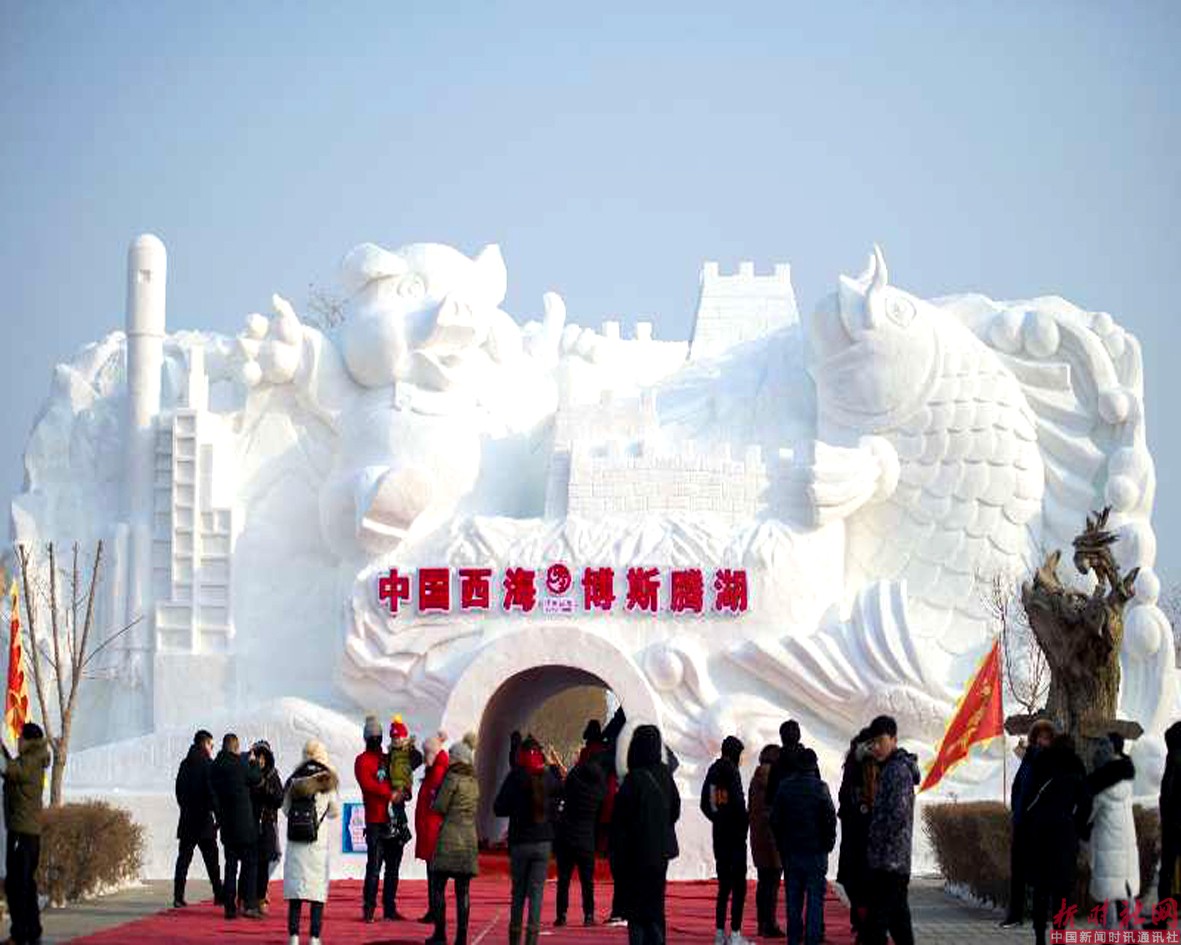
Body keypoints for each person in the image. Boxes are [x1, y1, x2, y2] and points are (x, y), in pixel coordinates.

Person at [610, 724, 681, 945]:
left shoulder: (633, 779)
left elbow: (620, 822)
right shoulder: (665, 775)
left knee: (637, 911)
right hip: (660, 852)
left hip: (636, 853)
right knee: (656, 905)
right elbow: (675, 809)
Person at [494, 735, 563, 945]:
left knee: (518, 893)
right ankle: (532, 939)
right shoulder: (547, 777)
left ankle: (514, 937)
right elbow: (561, 792)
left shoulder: (515, 777)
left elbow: (499, 808)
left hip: (520, 841)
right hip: (543, 841)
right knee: (536, 893)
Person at [1025, 734, 1091, 945]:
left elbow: (1028, 796)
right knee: (1062, 889)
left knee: (1041, 888)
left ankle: (1039, 936)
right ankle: (1059, 935)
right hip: (1064, 834)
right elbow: (1085, 804)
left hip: (1040, 832)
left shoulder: (1041, 763)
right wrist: (1078, 828)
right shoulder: (1076, 766)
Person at [863, 715, 919, 945]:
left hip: (890, 861)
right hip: (890, 860)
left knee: (875, 924)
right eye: (873, 743)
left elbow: (897, 816)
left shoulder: (897, 771)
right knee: (898, 922)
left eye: (881, 741)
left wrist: (875, 838)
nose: (876, 747)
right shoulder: (888, 768)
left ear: (894, 740)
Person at [771, 748, 836, 945]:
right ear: (814, 765)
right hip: (816, 852)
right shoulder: (821, 788)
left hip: (791, 851)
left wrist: (782, 845)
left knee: (793, 899)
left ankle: (793, 939)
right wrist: (828, 844)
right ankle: (812, 939)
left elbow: (775, 820)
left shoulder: (785, 787)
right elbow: (830, 819)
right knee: (815, 899)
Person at [283, 738, 340, 945]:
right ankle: (314, 938)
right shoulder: (327, 780)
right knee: (317, 893)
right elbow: (334, 811)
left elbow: (286, 810)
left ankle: (294, 936)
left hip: (296, 844)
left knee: (296, 893)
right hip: (317, 845)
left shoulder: (294, 779)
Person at [1000, 718, 1055, 929]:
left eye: (1046, 738)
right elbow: (1018, 787)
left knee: (1040, 872)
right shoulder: (1028, 759)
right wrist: (1016, 810)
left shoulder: (1050, 762)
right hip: (1021, 822)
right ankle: (1015, 914)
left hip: (1038, 825)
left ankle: (1042, 914)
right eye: (1039, 737)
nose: (1042, 741)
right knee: (1018, 872)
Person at [1, 721, 49, 945]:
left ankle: (21, 934)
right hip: (27, 833)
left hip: (22, 833)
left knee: (17, 885)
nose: (18, 741)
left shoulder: (30, 761)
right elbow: (12, 768)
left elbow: (8, 770)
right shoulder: (34, 759)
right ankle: (32, 931)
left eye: (20, 737)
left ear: (29, 741)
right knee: (25, 884)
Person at [429, 733, 479, 945]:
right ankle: (461, 938)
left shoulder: (451, 778)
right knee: (463, 891)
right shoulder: (474, 782)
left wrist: (434, 797)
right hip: (468, 839)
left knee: (438, 886)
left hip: (450, 837)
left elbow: (440, 806)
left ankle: (440, 934)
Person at [701, 735, 751, 945]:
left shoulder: (713, 771)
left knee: (723, 886)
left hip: (719, 835)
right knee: (739, 887)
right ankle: (736, 933)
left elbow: (706, 804)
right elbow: (738, 804)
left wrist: (718, 819)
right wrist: (744, 822)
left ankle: (720, 932)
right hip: (735, 838)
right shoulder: (732, 772)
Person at [1086, 733, 1138, 929]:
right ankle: (1134, 932)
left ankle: (1111, 935)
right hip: (1126, 845)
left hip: (1107, 846)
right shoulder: (1127, 780)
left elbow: (1086, 817)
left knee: (1108, 895)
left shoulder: (1100, 789)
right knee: (1125, 892)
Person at [210, 732, 263, 919]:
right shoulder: (240, 765)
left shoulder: (215, 766)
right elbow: (256, 778)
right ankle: (249, 904)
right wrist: (253, 762)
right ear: (235, 747)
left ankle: (229, 908)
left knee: (230, 867)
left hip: (226, 824)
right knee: (250, 865)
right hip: (244, 825)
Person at [554, 744, 607, 928]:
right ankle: (589, 915)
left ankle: (561, 915)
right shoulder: (597, 790)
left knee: (564, 879)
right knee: (587, 880)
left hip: (567, 835)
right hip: (586, 837)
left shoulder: (574, 780)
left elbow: (564, 789)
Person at [354, 714, 400, 922]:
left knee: (392, 868)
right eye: (373, 736)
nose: (375, 739)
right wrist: (390, 793)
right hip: (374, 820)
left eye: (377, 736)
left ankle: (389, 908)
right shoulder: (362, 760)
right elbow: (368, 785)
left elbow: (403, 772)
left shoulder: (388, 758)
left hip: (391, 819)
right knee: (374, 867)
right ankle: (369, 907)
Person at [173, 728, 224, 909]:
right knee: (212, 861)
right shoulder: (208, 764)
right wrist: (218, 815)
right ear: (205, 743)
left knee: (183, 860)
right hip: (204, 820)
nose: (212, 748)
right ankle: (219, 894)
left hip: (187, 819)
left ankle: (178, 896)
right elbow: (212, 793)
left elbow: (178, 790)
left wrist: (185, 808)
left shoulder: (184, 764)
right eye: (211, 745)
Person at [837, 728, 874, 940]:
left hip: (855, 836)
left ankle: (862, 921)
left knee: (856, 884)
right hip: (865, 836)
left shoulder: (855, 766)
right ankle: (862, 921)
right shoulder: (862, 766)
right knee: (863, 885)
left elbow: (843, 798)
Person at [749, 744, 785, 939]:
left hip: (758, 838)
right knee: (772, 884)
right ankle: (770, 923)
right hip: (773, 839)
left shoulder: (755, 779)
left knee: (763, 883)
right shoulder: (776, 779)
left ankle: (762, 922)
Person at [414, 731, 450, 925]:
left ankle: (436, 910)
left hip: (433, 830)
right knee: (433, 874)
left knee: (434, 875)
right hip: (430, 828)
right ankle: (434, 909)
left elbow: (434, 803)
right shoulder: (436, 770)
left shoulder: (437, 773)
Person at [250, 739, 284, 914]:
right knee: (251, 862)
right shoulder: (249, 774)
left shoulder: (272, 775)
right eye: (258, 756)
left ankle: (261, 897)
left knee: (265, 861)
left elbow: (279, 798)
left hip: (267, 824)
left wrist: (265, 789)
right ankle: (248, 897)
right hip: (251, 823)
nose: (261, 760)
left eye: (263, 757)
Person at [1159, 721, 1181, 906]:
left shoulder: (1173, 757)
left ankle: (1163, 912)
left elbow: (1167, 790)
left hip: (1173, 821)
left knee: (1167, 867)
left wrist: (1165, 815)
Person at [766, 720, 806, 807]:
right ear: (799, 736)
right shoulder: (809, 760)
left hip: (783, 812)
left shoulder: (776, 762)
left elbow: (769, 798)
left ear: (782, 738)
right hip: (806, 812)